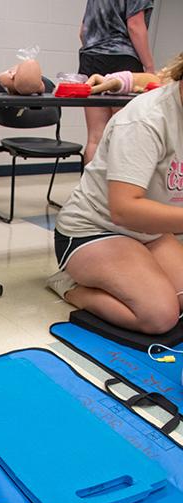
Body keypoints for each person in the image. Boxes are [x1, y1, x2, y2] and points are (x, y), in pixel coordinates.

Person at [46, 52, 183, 335]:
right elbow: (124, 210)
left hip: (151, 232)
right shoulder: (147, 119)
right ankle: (70, 286)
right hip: (93, 229)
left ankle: (135, 272)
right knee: (160, 315)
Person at [78, 0, 155, 163]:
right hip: (122, 60)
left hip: (91, 58)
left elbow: (83, 31)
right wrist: (149, 67)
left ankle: (91, 188)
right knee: (122, 136)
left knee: (95, 137)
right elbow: (135, 25)